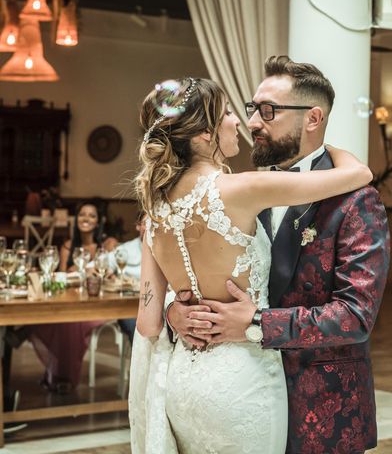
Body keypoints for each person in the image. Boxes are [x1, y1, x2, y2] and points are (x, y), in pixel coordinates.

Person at [129, 75, 373, 453]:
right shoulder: (244, 189)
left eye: (265, 111)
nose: (244, 123)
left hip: (185, 381)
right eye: (229, 112)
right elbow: (358, 174)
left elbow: (147, 323)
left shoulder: (154, 208)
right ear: (205, 135)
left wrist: (179, 314)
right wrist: (338, 150)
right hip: (243, 382)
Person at [15, 201, 117, 393]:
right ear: (76, 219)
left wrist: (99, 273)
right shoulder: (68, 246)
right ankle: (57, 375)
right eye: (82, 214)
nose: (86, 218)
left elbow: (113, 273)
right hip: (74, 300)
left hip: (99, 305)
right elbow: (60, 279)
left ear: (98, 221)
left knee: (71, 321)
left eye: (91, 215)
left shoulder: (106, 246)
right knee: (63, 318)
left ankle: (63, 377)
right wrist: (72, 273)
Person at [108, 212, 144, 342]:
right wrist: (108, 274)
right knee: (138, 328)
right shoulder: (126, 249)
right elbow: (96, 265)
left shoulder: (169, 250)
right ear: (138, 226)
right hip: (130, 309)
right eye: (146, 223)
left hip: (162, 308)